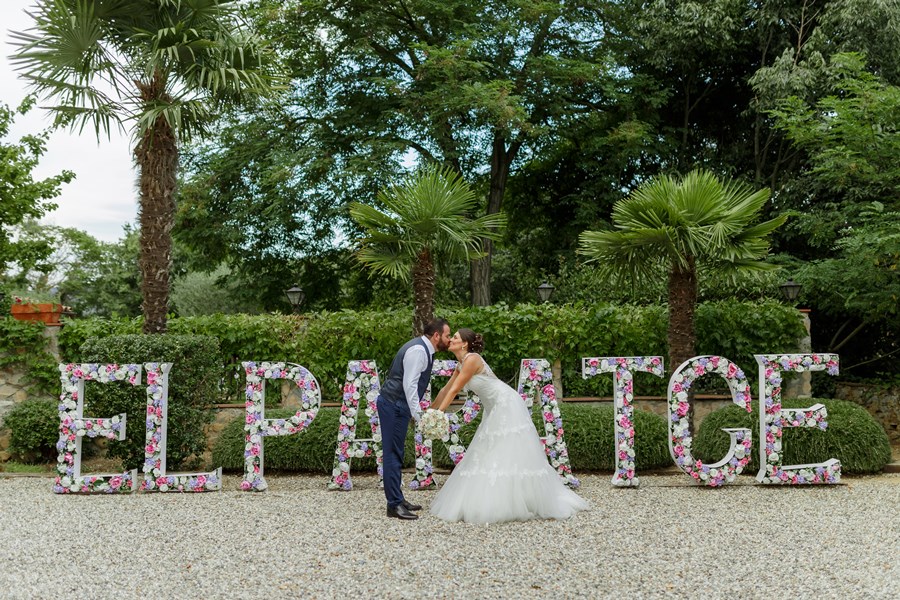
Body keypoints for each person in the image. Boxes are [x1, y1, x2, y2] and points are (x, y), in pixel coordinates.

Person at [429, 328, 589, 524]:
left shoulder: (472, 359)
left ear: (464, 344)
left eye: (455, 337)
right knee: (489, 449)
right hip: (493, 407)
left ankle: (520, 501)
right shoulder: (460, 364)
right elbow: (445, 389)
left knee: (504, 449)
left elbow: (455, 390)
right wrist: (429, 411)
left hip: (505, 403)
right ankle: (496, 499)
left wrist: (439, 414)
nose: (451, 339)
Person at [377, 317, 451, 520]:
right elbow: (409, 384)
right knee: (392, 453)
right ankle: (393, 505)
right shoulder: (419, 351)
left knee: (397, 452)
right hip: (393, 404)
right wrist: (419, 416)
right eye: (447, 335)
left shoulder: (424, 349)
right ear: (436, 335)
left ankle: (398, 499)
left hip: (397, 405)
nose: (449, 339)